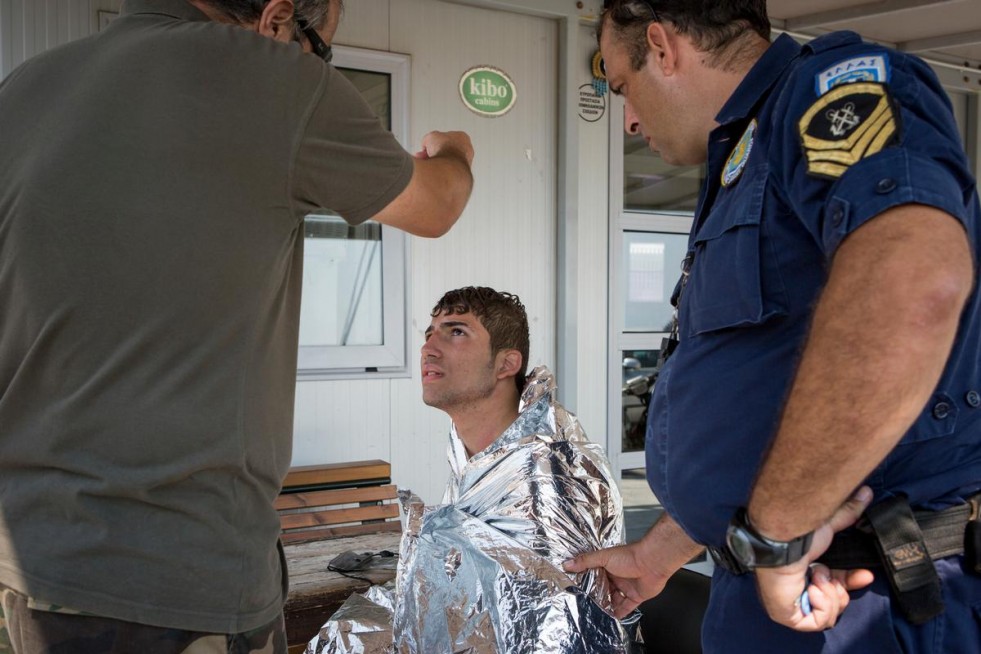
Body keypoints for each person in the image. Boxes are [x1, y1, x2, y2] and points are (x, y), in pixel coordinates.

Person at [0, 0, 473, 650]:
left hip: (32, 568)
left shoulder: (25, 86)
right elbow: (437, 204)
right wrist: (455, 152)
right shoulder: (272, 77)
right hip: (182, 579)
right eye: (322, 46)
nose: (317, 64)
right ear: (278, 18)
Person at [565, 1, 980, 652]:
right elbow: (757, 404)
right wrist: (662, 553)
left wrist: (776, 533)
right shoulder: (742, 155)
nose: (630, 118)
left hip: (859, 598)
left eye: (622, 86)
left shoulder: (829, 89)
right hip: (772, 583)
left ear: (662, 46)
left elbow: (910, 284)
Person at [306, 287, 629, 653]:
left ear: (506, 364)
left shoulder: (547, 476)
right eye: (429, 334)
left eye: (456, 332)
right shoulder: (480, 456)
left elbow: (560, 636)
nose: (429, 348)